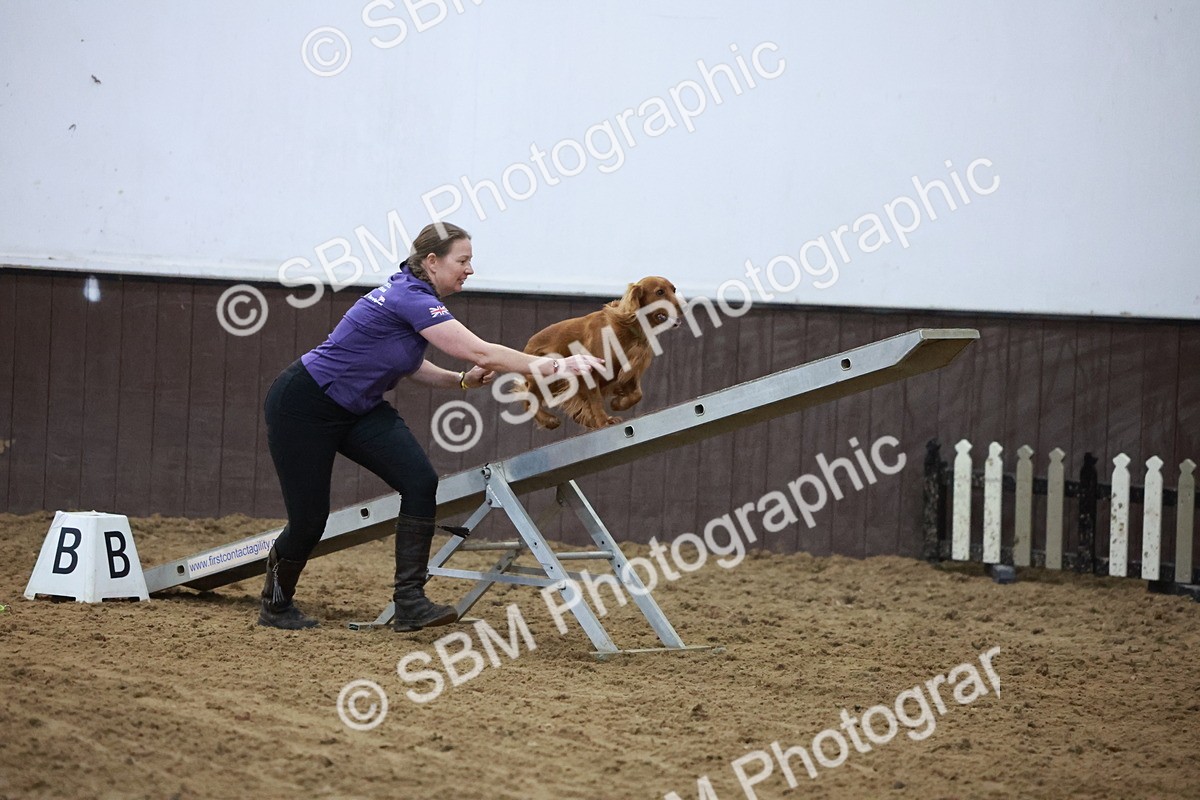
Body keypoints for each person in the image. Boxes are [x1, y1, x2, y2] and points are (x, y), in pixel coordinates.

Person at [259, 222, 604, 631]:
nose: (470, 269)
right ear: (432, 261)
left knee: (420, 481)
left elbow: (408, 363)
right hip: (304, 405)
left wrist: (458, 380)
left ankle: (409, 601)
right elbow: (480, 351)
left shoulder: (412, 295)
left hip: (359, 408)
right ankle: (276, 606)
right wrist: (557, 365)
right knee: (309, 519)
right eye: (463, 260)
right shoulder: (410, 296)